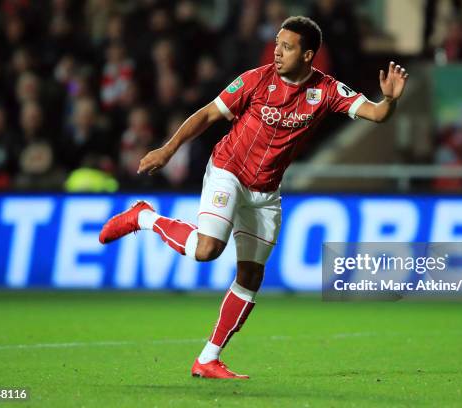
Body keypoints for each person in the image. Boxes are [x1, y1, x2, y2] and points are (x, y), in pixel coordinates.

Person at [99, 16, 408, 379]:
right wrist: (168, 150)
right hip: (228, 171)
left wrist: (388, 98)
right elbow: (208, 114)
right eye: (276, 43)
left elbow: (376, 114)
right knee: (207, 250)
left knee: (250, 275)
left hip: (266, 192)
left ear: (308, 55)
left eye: (287, 47)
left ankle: (208, 359)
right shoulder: (256, 79)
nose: (276, 52)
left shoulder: (326, 91)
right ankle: (143, 217)